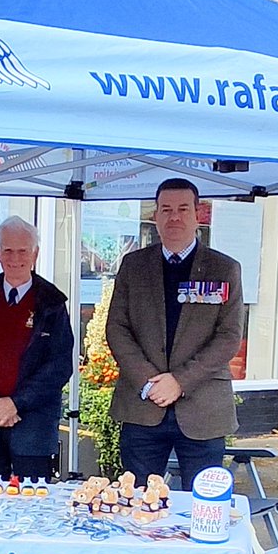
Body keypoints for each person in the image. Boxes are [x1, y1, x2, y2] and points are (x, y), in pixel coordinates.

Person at [106, 178, 245, 492]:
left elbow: (228, 336)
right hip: (143, 407)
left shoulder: (224, 269)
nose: (174, 217)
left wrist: (180, 381)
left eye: (183, 209)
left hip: (203, 409)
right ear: (155, 216)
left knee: (202, 507)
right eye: (166, 210)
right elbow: (117, 328)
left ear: (199, 214)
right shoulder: (133, 266)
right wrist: (150, 381)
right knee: (137, 501)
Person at [0, 216, 74, 480]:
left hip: (34, 427)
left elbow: (59, 365)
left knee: (34, 506)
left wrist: (16, 403)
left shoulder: (52, 303)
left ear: (35, 254)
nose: (15, 258)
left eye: (23, 251)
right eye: (8, 250)